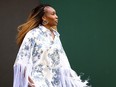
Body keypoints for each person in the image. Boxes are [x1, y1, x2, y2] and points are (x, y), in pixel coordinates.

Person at [13, 4, 90, 87]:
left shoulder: (56, 36)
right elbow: (21, 60)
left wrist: (74, 80)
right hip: (38, 83)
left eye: (56, 14)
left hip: (55, 83)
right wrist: (28, 81)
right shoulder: (32, 34)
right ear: (44, 17)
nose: (56, 16)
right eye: (53, 14)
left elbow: (63, 61)